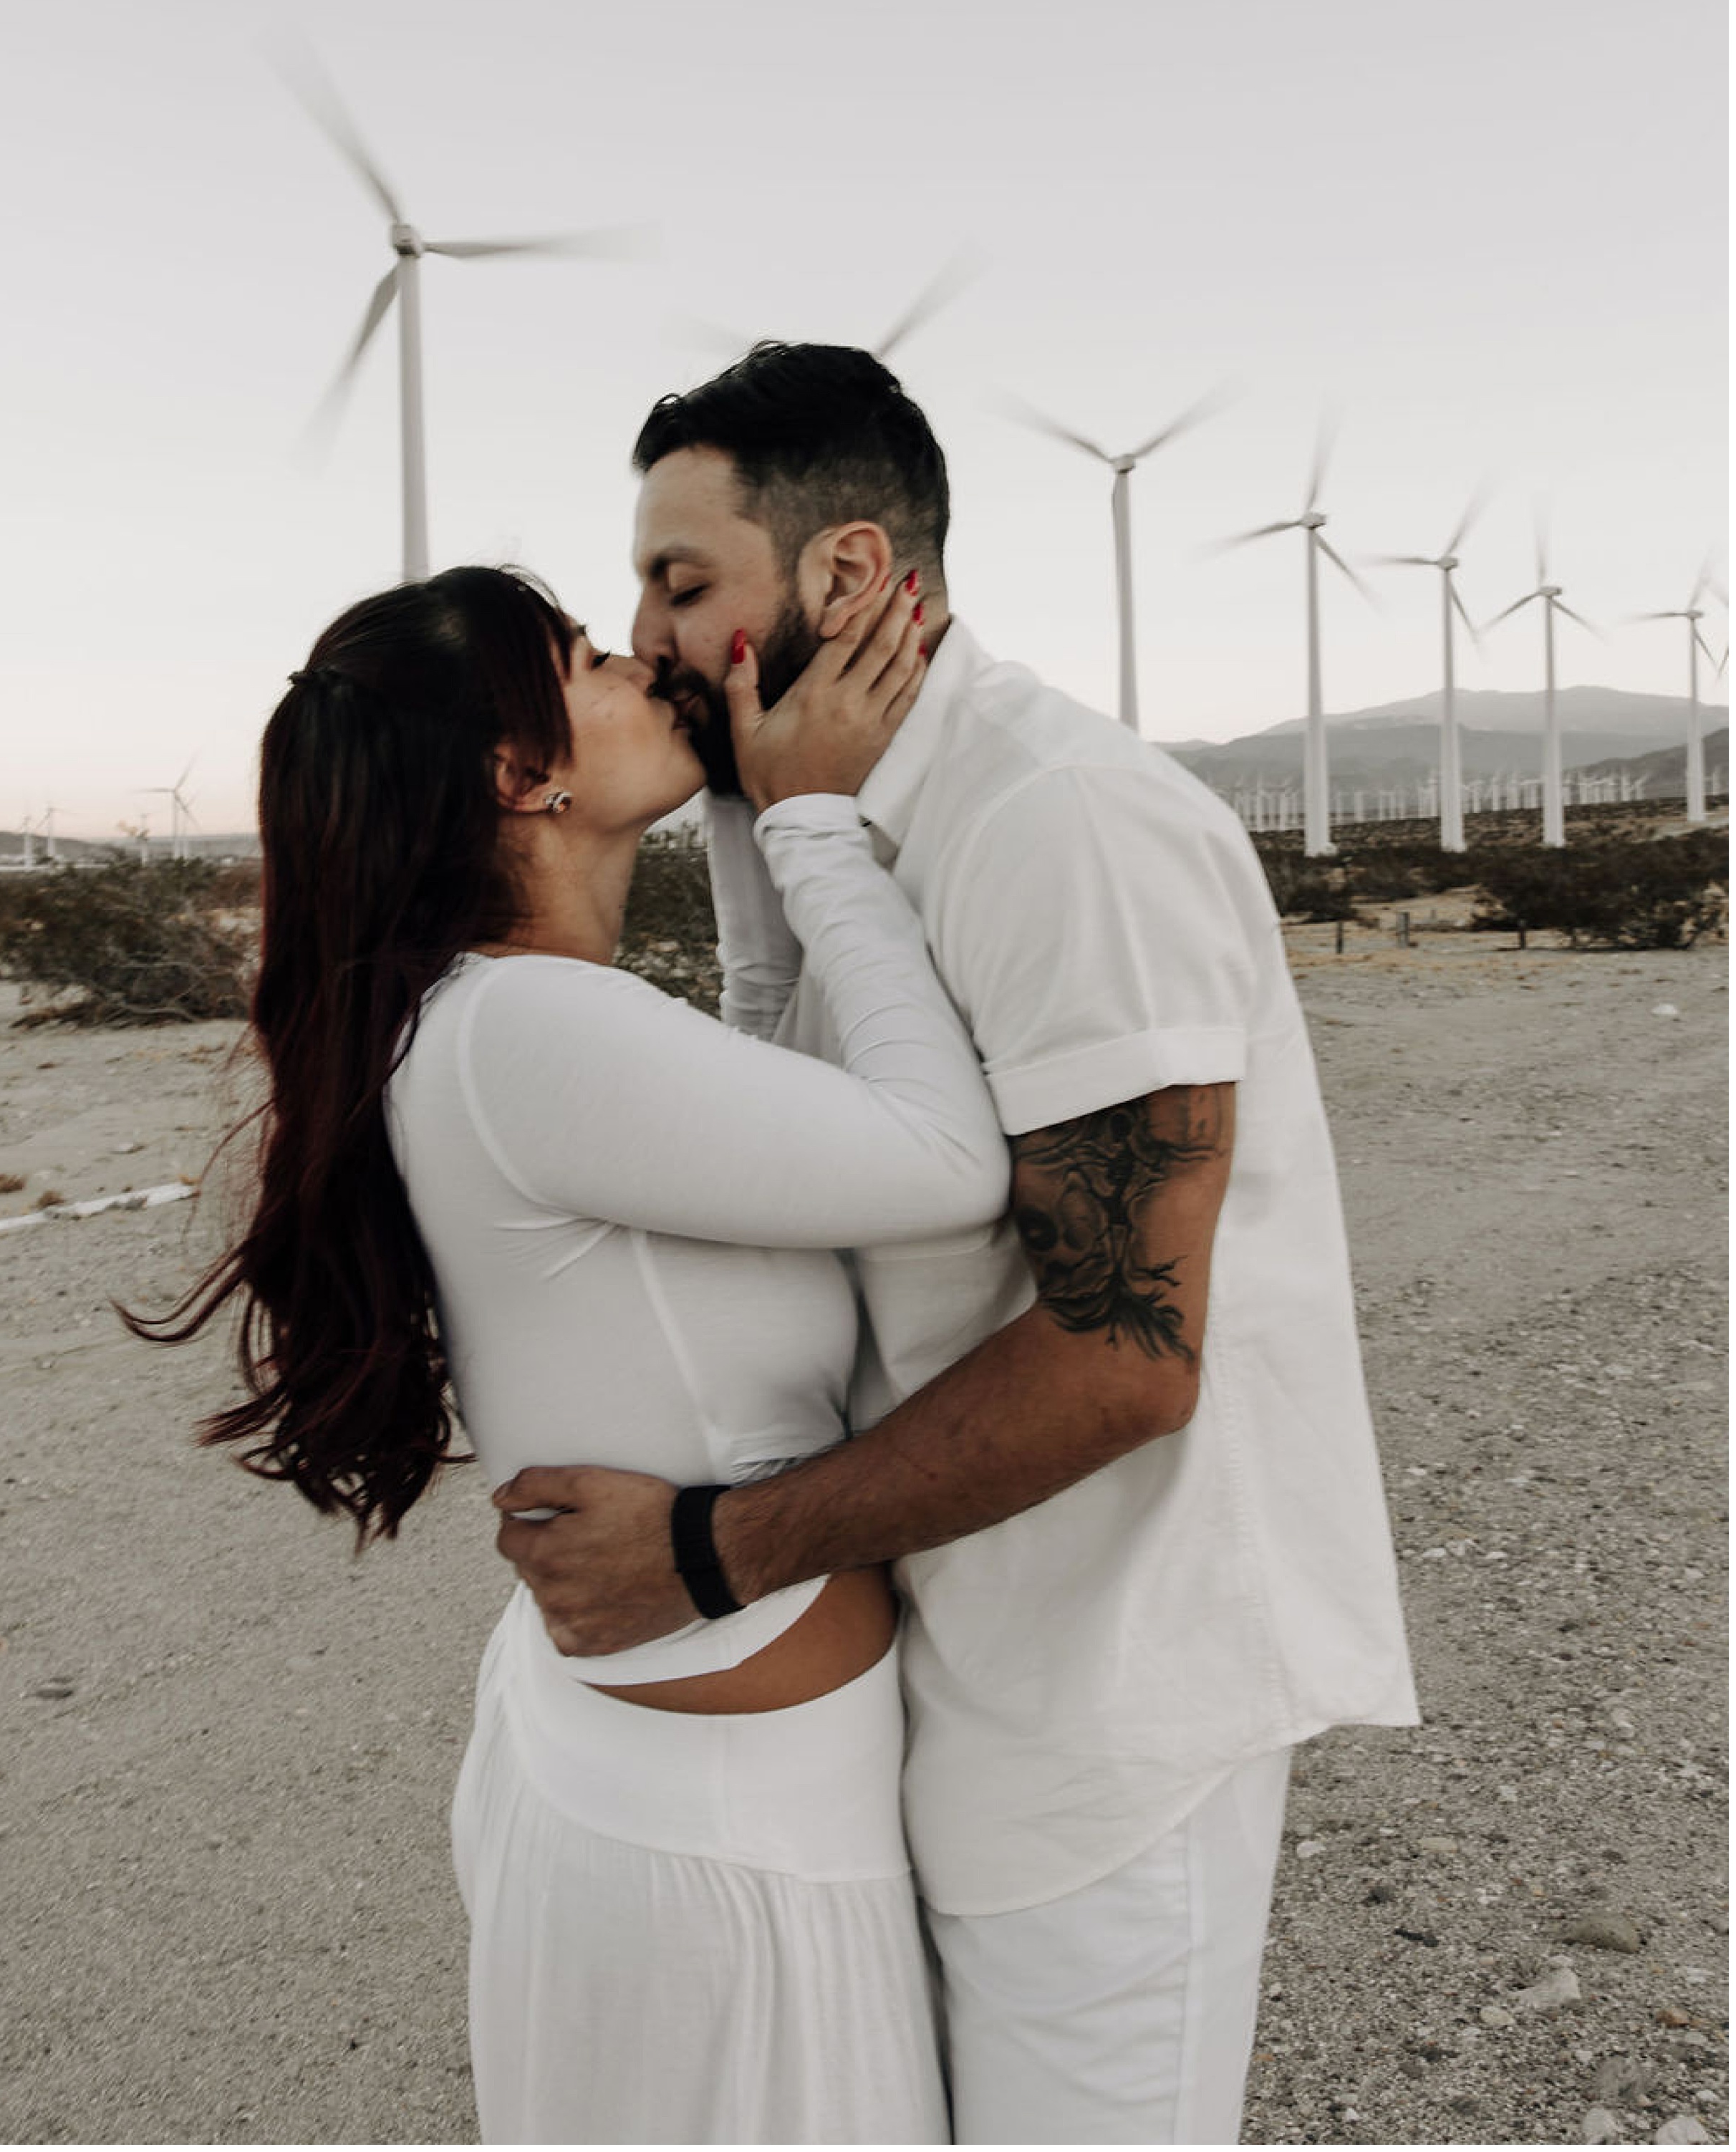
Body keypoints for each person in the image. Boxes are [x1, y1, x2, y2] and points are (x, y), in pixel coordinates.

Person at [494, 346, 1421, 2148]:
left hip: (1106, 1704)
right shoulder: (820, 824)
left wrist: (705, 1550)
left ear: (841, 577)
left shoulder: (1057, 821)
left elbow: (1126, 1350)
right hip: (952, 1665)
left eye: (681, 584)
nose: (646, 637)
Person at [130, 560, 1016, 2146]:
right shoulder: (527, 1031)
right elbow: (948, 1162)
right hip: (717, 1854)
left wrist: (755, 819)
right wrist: (813, 817)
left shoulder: (502, 1018)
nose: (649, 669)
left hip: (702, 1802)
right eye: (596, 658)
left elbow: (770, 1073)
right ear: (517, 770)